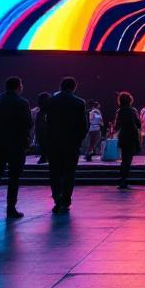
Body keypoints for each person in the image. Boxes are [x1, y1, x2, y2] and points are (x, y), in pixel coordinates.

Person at [0, 77, 32, 219]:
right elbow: (28, 123)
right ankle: (11, 208)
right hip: (17, 144)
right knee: (14, 178)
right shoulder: (22, 102)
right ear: (18, 86)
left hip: (0, 143)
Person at [45, 76, 88, 213]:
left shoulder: (51, 101)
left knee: (55, 172)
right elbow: (83, 125)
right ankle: (66, 200)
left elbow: (47, 123)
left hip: (54, 143)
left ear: (61, 86)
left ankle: (57, 198)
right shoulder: (79, 102)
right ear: (74, 87)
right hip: (71, 144)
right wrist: (78, 141)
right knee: (69, 172)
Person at [114, 91, 142, 190]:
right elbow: (138, 124)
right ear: (130, 100)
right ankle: (124, 179)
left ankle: (122, 180)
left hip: (123, 136)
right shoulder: (133, 111)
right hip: (132, 136)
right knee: (128, 160)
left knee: (124, 159)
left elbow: (116, 126)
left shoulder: (119, 111)